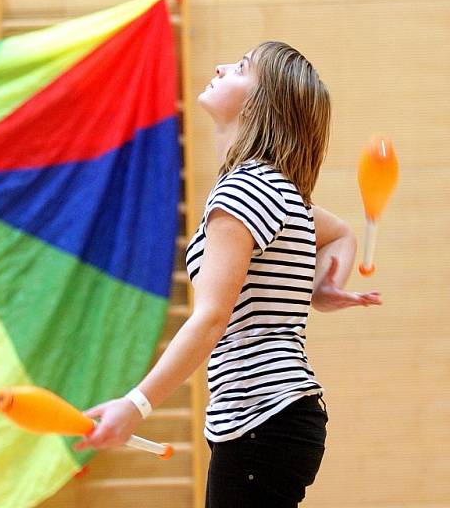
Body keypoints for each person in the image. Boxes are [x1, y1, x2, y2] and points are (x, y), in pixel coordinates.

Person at [75, 41, 381, 507]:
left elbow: (211, 318)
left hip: (263, 418)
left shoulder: (245, 191)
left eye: (241, 68)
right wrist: (323, 286)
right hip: (274, 421)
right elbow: (340, 235)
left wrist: (135, 405)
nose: (220, 66)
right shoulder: (274, 187)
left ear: (263, 105)